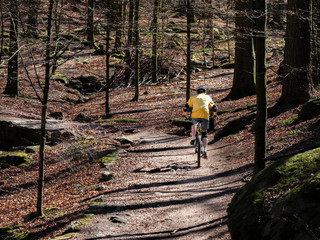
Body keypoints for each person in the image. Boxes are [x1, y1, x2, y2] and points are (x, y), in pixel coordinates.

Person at [183, 86, 217, 159]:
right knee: (204, 133)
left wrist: (184, 114)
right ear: (205, 91)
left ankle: (192, 138)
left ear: (197, 92)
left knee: (193, 123)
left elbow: (186, 106)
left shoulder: (193, 97)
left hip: (195, 115)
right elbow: (214, 107)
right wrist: (214, 115)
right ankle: (205, 151)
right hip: (205, 116)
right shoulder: (208, 97)